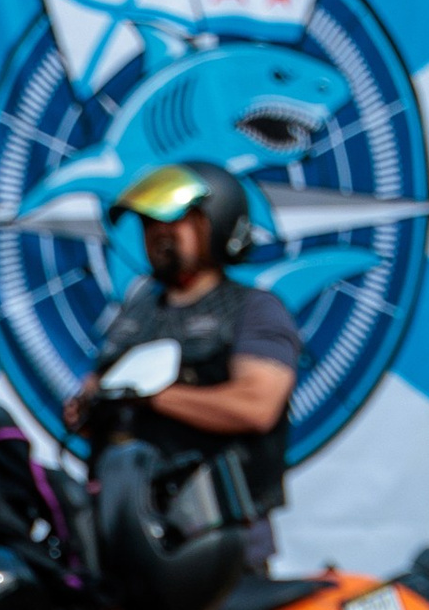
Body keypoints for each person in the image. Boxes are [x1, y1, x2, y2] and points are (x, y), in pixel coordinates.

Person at [67, 166, 302, 569]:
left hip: (219, 539)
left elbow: (257, 405)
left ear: (219, 222)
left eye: (174, 221)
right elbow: (97, 401)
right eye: (149, 223)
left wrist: (153, 397)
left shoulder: (254, 309)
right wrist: (89, 407)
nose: (159, 234)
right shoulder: (134, 315)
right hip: (127, 531)